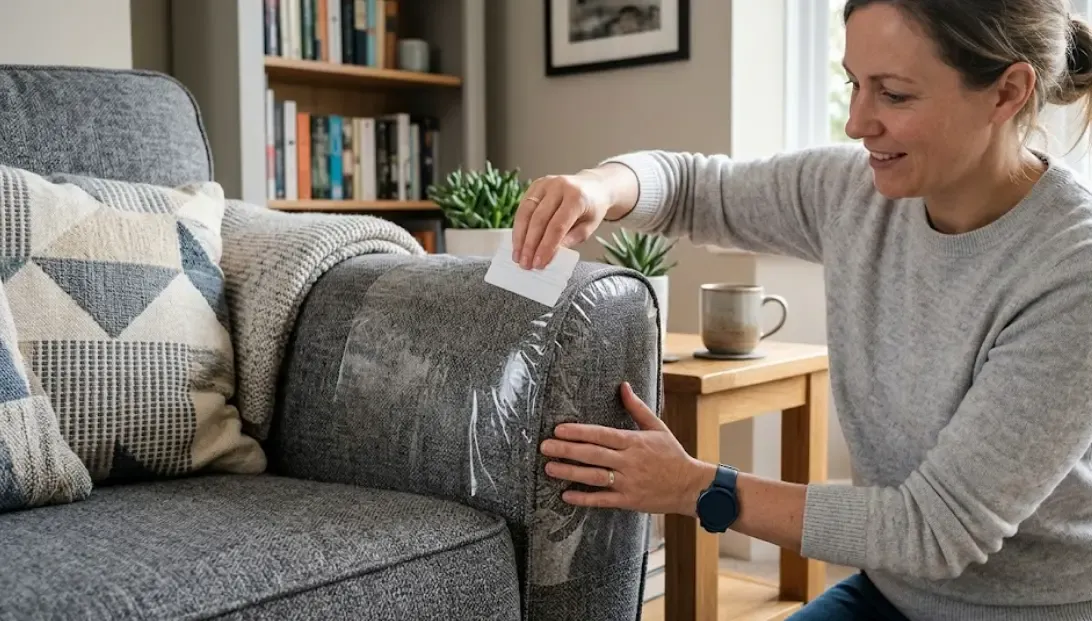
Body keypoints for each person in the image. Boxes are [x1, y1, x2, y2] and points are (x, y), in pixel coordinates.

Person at [515, 1, 1092, 619]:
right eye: (854, 84)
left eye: (894, 95)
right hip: (891, 592)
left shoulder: (1071, 269)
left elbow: (933, 529)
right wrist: (600, 187)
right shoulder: (854, 191)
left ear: (1007, 92)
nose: (857, 122)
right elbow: (691, 187)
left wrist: (695, 487)